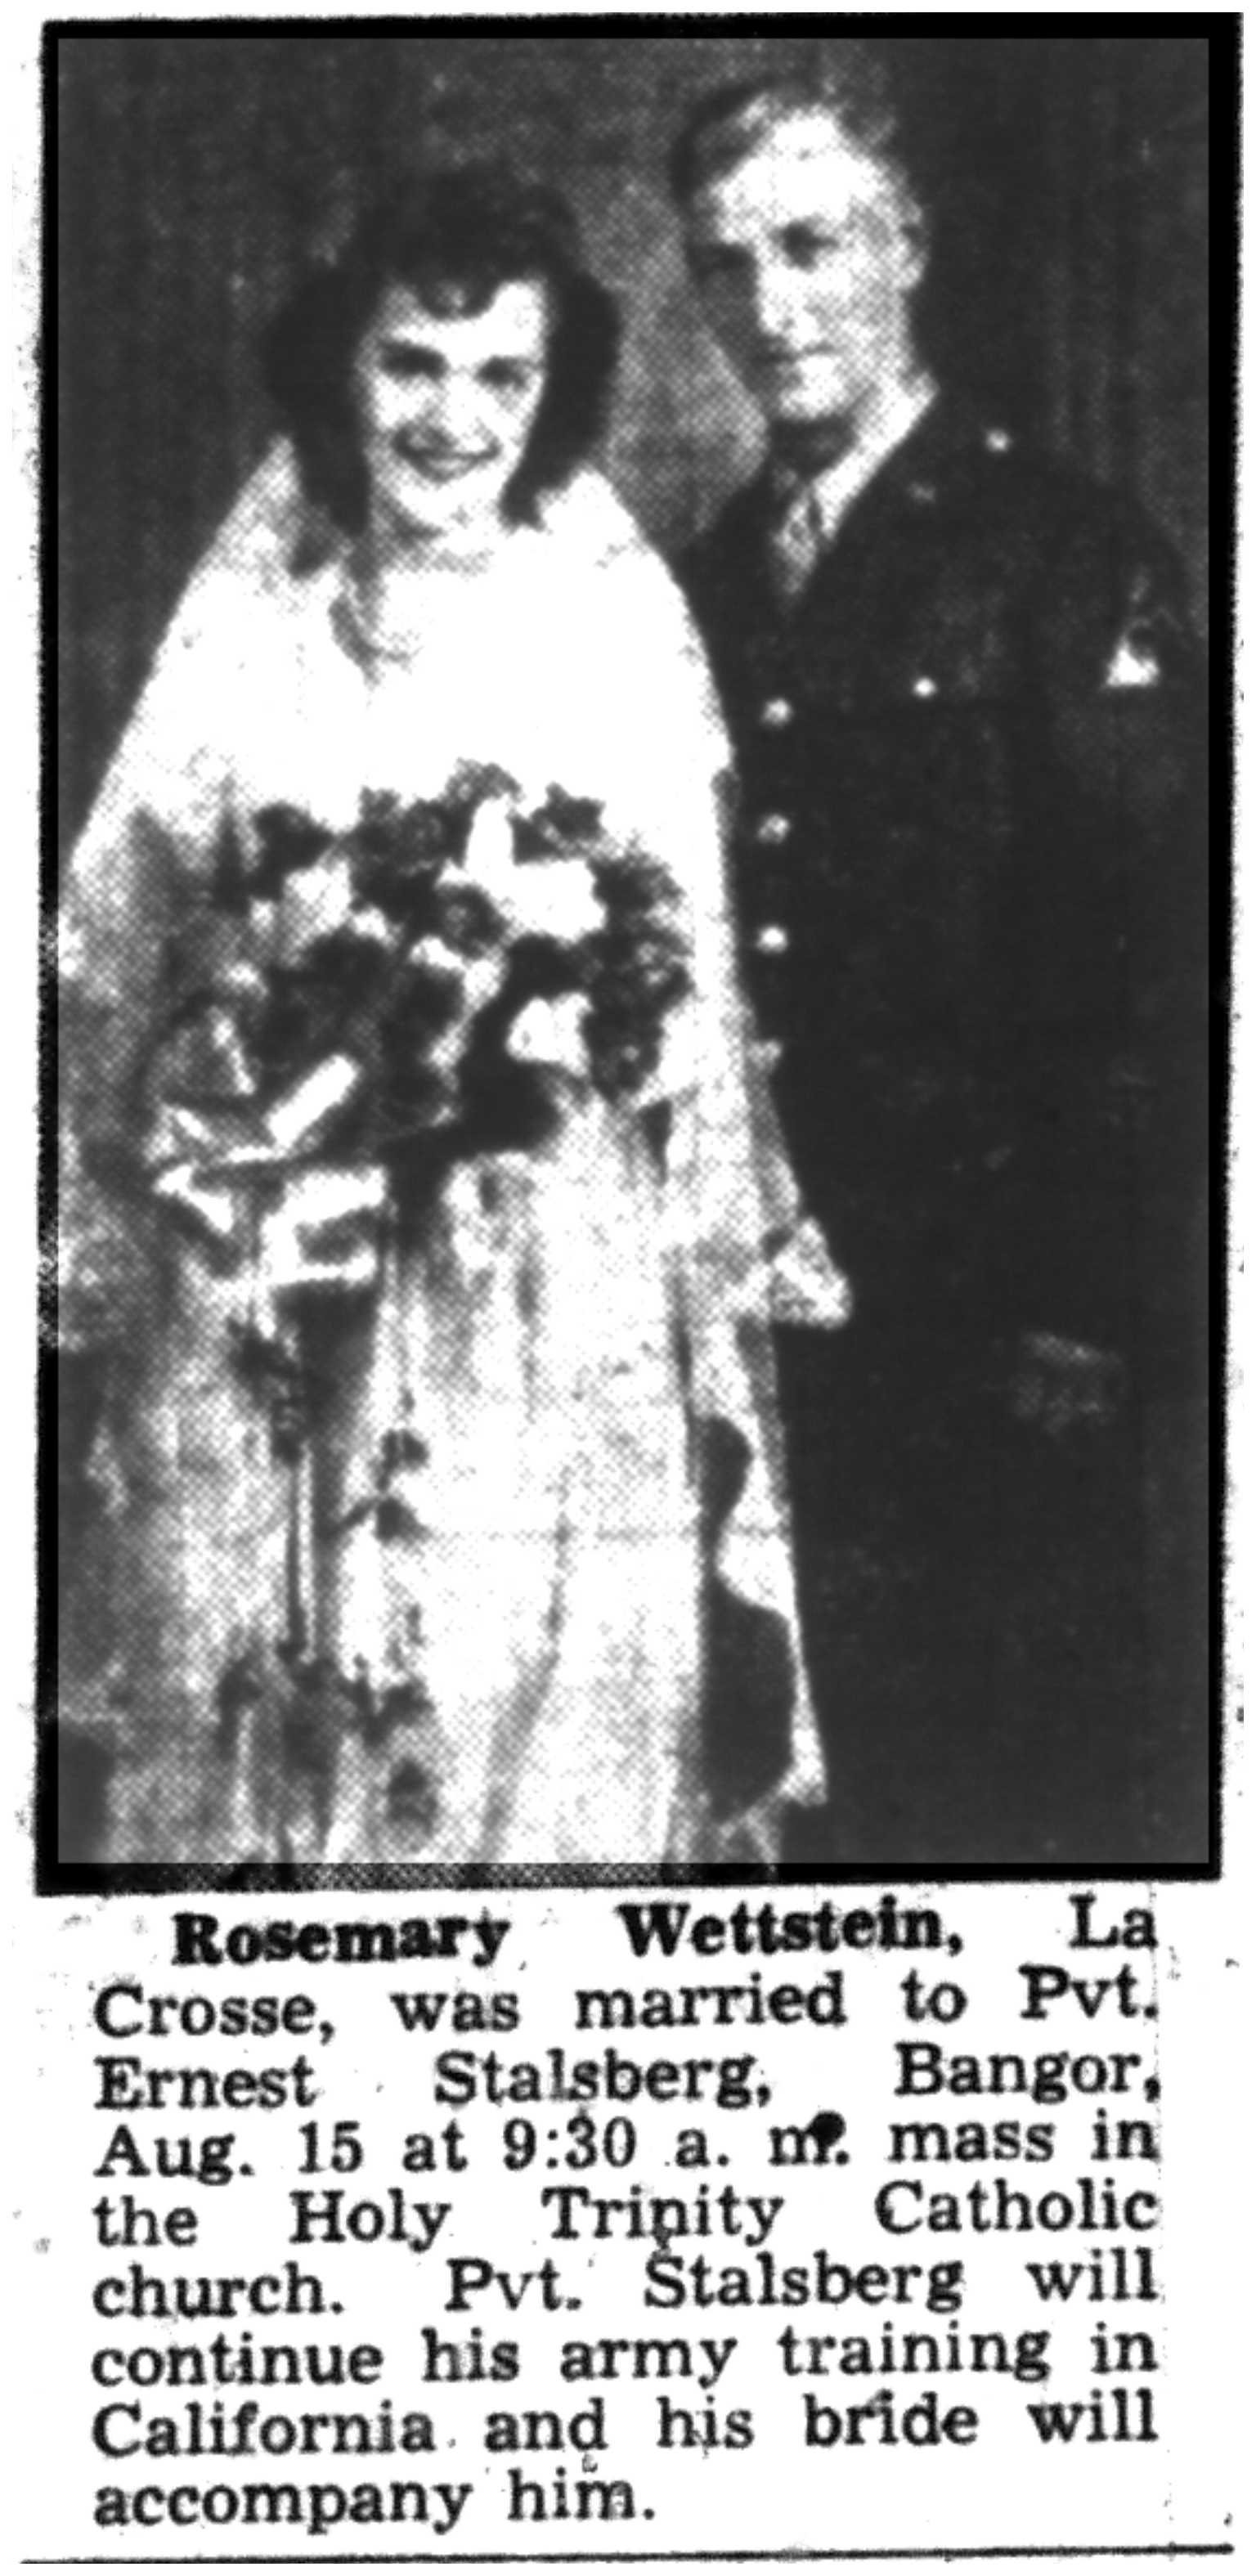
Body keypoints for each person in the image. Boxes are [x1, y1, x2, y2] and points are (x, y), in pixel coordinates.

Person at [57, 164, 845, 1869]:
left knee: (519, 1706)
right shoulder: (250, 642)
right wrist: (254, 1070)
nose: (453, 417)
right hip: (287, 1264)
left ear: (553, 396)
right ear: (338, 371)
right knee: (284, 1705)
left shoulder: (611, 639)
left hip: (538, 1272)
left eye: (503, 375)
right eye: (411, 363)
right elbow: (114, 955)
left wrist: (539, 1048)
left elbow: (684, 986)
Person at [670, 70, 1205, 1860]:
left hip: (1000, 1318)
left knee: (1007, 1788)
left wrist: (1088, 1302)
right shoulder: (701, 583)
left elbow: (1157, 964)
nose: (772, 305)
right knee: (816, 1789)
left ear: (908, 248)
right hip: (785, 1327)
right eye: (727, 263)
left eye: (813, 245)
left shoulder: (1065, 552)